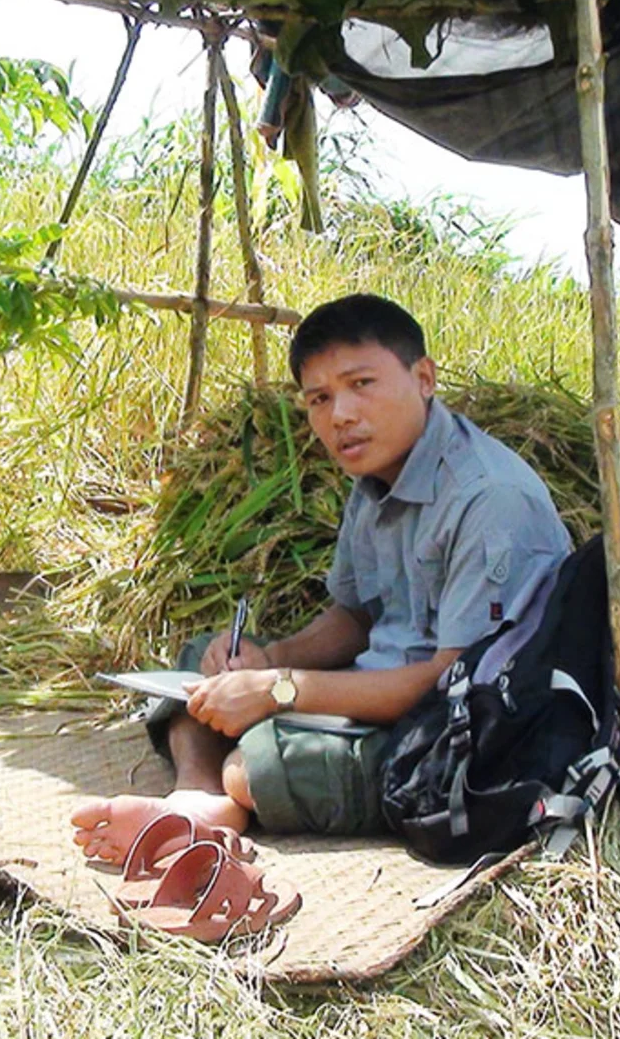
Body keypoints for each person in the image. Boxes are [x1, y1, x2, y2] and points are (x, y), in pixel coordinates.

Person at [71, 294, 573, 857]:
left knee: (258, 765)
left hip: (453, 728)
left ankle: (226, 787)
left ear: (425, 378)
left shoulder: (489, 499)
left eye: (362, 384)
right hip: (377, 686)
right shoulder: (375, 477)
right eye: (320, 398)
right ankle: (200, 795)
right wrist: (270, 659)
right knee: (199, 665)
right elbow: (355, 617)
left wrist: (281, 690)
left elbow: (450, 678)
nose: (341, 416)